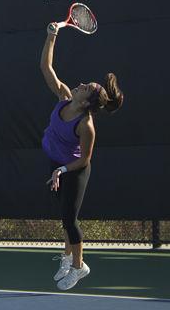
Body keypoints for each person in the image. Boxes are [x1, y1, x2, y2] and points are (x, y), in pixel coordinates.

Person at [39, 22, 124, 290]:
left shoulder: (86, 126)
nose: (80, 84)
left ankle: (79, 266)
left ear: (86, 102)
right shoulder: (64, 97)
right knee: (63, 214)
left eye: (85, 87)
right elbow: (46, 69)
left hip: (74, 169)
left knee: (70, 220)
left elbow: (84, 160)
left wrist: (62, 170)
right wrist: (51, 37)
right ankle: (66, 257)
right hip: (56, 163)